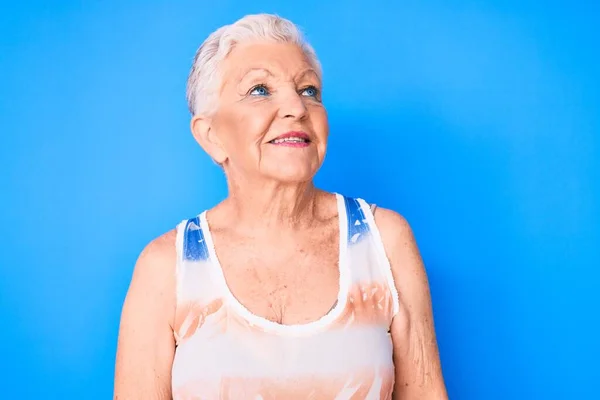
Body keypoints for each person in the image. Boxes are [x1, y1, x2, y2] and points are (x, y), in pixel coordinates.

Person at [114, 13, 448, 400]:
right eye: (259, 90)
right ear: (211, 136)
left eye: (309, 91)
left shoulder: (384, 241)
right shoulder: (166, 268)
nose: (296, 107)